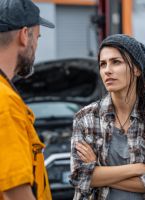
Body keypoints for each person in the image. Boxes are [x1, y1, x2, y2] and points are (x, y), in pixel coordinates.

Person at [70, 34, 145, 200]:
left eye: (116, 62)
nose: (107, 70)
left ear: (136, 69)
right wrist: (138, 168)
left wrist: (98, 172)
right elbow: (79, 177)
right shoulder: (85, 118)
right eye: (102, 64)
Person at [0, 0, 55, 200]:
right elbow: (15, 191)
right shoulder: (5, 101)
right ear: (24, 35)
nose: (36, 47)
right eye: (37, 37)